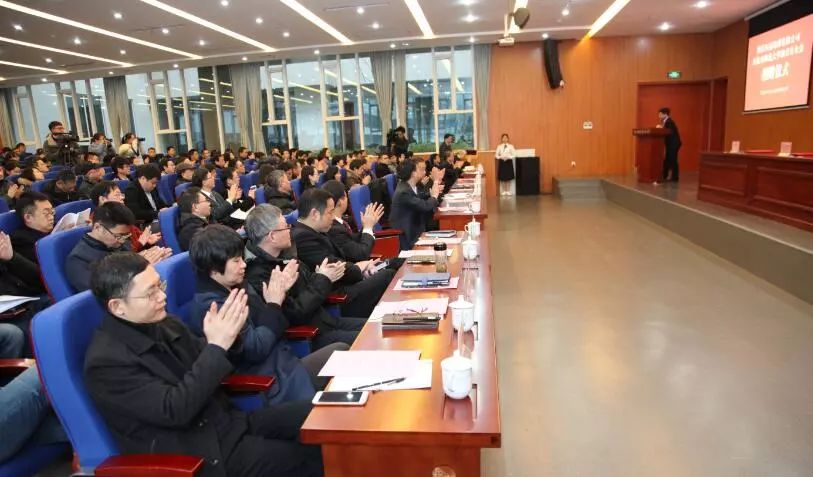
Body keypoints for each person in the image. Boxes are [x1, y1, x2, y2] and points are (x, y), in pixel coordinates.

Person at [84, 252, 325, 477]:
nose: (162, 296)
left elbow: (211, 358)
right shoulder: (107, 363)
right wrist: (217, 346)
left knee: (320, 417)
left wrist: (230, 338)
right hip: (198, 451)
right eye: (150, 293)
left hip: (227, 422)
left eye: (160, 285)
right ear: (117, 307)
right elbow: (176, 410)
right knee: (313, 457)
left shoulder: (164, 323)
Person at [188, 226, 346, 402]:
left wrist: (281, 295)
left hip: (285, 364)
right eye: (236, 261)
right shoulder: (212, 307)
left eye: (242, 258)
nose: (243, 265)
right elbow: (256, 349)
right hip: (268, 383)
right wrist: (273, 304)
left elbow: (274, 324)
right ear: (213, 269)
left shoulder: (237, 285)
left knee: (342, 352)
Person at [244, 204, 364, 350]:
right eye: (286, 227)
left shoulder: (285, 255)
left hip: (326, 322)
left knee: (376, 325)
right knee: (372, 338)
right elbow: (295, 313)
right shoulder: (259, 274)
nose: (290, 230)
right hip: (311, 336)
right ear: (272, 236)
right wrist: (322, 279)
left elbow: (308, 285)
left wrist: (324, 276)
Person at [291, 188, 394, 318]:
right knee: (387, 275)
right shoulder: (303, 237)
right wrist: (359, 268)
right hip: (338, 296)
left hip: (346, 283)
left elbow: (346, 251)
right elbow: (335, 266)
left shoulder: (315, 230)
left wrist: (362, 267)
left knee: (389, 266)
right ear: (315, 214)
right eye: (330, 212)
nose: (333, 217)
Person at [65, 202, 171, 292]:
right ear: (98, 228)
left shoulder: (120, 242)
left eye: (126, 236)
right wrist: (139, 267)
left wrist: (142, 258)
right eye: (118, 236)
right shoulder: (78, 260)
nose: (122, 241)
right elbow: (104, 292)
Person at [89, 181, 161, 253]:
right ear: (103, 199)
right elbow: (117, 254)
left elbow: (138, 237)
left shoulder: (121, 214)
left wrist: (147, 240)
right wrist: (140, 243)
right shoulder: (101, 222)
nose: (122, 198)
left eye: (121, 194)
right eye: (117, 195)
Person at [322, 180, 384, 263]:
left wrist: (367, 225)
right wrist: (368, 228)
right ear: (340, 201)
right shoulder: (333, 228)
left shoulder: (340, 223)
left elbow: (352, 242)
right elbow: (361, 254)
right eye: (346, 196)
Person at [389, 160, 441, 250]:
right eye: (420, 169)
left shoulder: (407, 186)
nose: (424, 172)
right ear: (413, 173)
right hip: (408, 235)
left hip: (415, 227)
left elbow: (417, 198)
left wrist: (431, 194)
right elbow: (425, 207)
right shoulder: (403, 192)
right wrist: (434, 195)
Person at [11, 192, 55, 265]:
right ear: (28, 217)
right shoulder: (21, 240)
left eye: (52, 212)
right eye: (46, 213)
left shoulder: (57, 225)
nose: (51, 217)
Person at [178, 186, 212, 251]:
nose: (209, 203)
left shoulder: (204, 221)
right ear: (195, 207)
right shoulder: (190, 232)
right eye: (206, 201)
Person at [657, 107, 682, 184]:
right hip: (670, 144)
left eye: (660, 114)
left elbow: (669, 131)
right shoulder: (666, 121)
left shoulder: (669, 121)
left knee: (673, 160)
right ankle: (664, 176)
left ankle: (675, 177)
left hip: (673, 144)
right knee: (667, 160)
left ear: (665, 114)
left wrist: (661, 128)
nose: (659, 116)